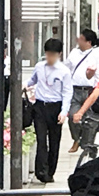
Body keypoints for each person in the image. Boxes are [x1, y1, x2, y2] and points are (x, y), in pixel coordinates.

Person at [27, 38, 73, 183]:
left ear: (59, 54)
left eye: (53, 55)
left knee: (54, 141)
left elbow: (67, 92)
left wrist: (64, 111)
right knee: (41, 140)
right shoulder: (39, 66)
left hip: (56, 107)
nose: (50, 57)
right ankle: (41, 170)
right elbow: (32, 80)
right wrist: (24, 85)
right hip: (40, 106)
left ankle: (50, 171)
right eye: (48, 54)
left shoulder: (64, 71)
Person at [65, 29, 98, 153]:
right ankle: (76, 139)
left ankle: (86, 143)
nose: (78, 40)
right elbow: (67, 68)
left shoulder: (96, 54)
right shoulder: (74, 53)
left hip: (90, 91)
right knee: (73, 116)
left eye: (81, 39)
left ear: (88, 42)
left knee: (90, 120)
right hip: (75, 90)